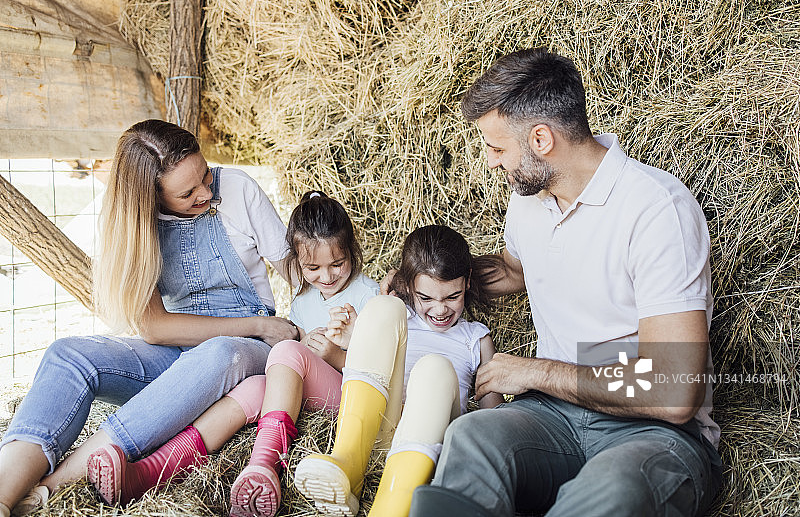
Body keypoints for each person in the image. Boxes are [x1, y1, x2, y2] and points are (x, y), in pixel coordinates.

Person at [407, 49, 723, 517]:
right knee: (472, 436)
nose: (492, 163)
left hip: (654, 432)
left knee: (614, 488)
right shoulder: (530, 199)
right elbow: (517, 268)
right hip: (553, 415)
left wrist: (537, 372)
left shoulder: (656, 211)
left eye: (497, 148)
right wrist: (436, 277)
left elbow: (674, 390)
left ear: (541, 139)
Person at [0, 119, 298, 517]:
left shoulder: (239, 189)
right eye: (187, 193)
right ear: (150, 199)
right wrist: (258, 325)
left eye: (206, 175)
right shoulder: (138, 226)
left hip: (246, 353)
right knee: (68, 354)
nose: (206, 193)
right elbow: (155, 328)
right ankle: (4, 492)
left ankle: (50, 489)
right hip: (186, 349)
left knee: (219, 353)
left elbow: (299, 275)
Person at [86, 190, 379, 517]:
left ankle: (264, 465)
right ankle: (145, 475)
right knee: (252, 388)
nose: (327, 277)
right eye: (313, 268)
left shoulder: (370, 297)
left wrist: (337, 355)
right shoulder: (303, 299)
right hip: (307, 392)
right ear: (296, 262)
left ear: (353, 250)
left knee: (286, 350)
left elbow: (380, 374)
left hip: (351, 399)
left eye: (338, 264)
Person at [294, 225, 504, 517]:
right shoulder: (399, 318)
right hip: (380, 432)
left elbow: (493, 420)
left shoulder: (476, 338)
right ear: (408, 286)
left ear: (467, 282)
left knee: (435, 369)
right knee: (381, 307)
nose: (440, 310)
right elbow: (372, 367)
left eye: (451, 296)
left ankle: (390, 509)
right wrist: (354, 343)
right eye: (427, 298)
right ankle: (347, 464)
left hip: (429, 444)